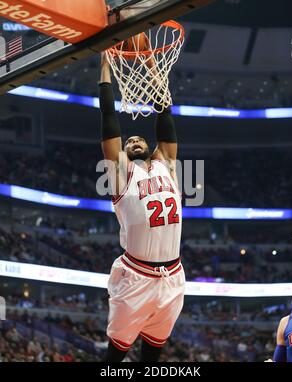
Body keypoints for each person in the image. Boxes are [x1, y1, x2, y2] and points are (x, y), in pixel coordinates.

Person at [99, 51, 185, 362]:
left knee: (153, 354)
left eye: (139, 139)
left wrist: (153, 68)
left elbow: (165, 117)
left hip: (173, 275)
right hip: (136, 275)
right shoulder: (121, 173)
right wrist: (105, 70)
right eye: (129, 140)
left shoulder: (167, 165)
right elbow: (109, 122)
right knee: (116, 355)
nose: (134, 140)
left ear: (150, 147)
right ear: (122, 151)